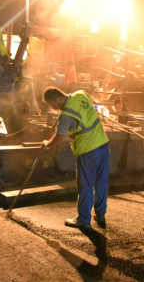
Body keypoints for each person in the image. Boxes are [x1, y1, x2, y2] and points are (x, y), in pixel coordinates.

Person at [42, 87, 110, 229]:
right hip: (102, 144)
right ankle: (101, 214)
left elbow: (58, 139)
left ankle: (84, 220)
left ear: (59, 98)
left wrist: (46, 144)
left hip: (88, 150)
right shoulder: (81, 94)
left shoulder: (66, 115)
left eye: (52, 104)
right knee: (101, 182)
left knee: (85, 185)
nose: (53, 108)